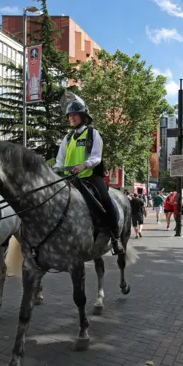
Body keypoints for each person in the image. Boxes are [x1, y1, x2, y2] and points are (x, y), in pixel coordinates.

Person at [54, 93, 123, 255]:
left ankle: (115, 238)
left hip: (90, 177)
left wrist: (83, 165)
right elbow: (60, 160)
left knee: (106, 201)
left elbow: (96, 157)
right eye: (69, 115)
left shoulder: (92, 133)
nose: (71, 117)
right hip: (70, 179)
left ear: (83, 116)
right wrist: (56, 170)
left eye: (74, 114)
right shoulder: (67, 137)